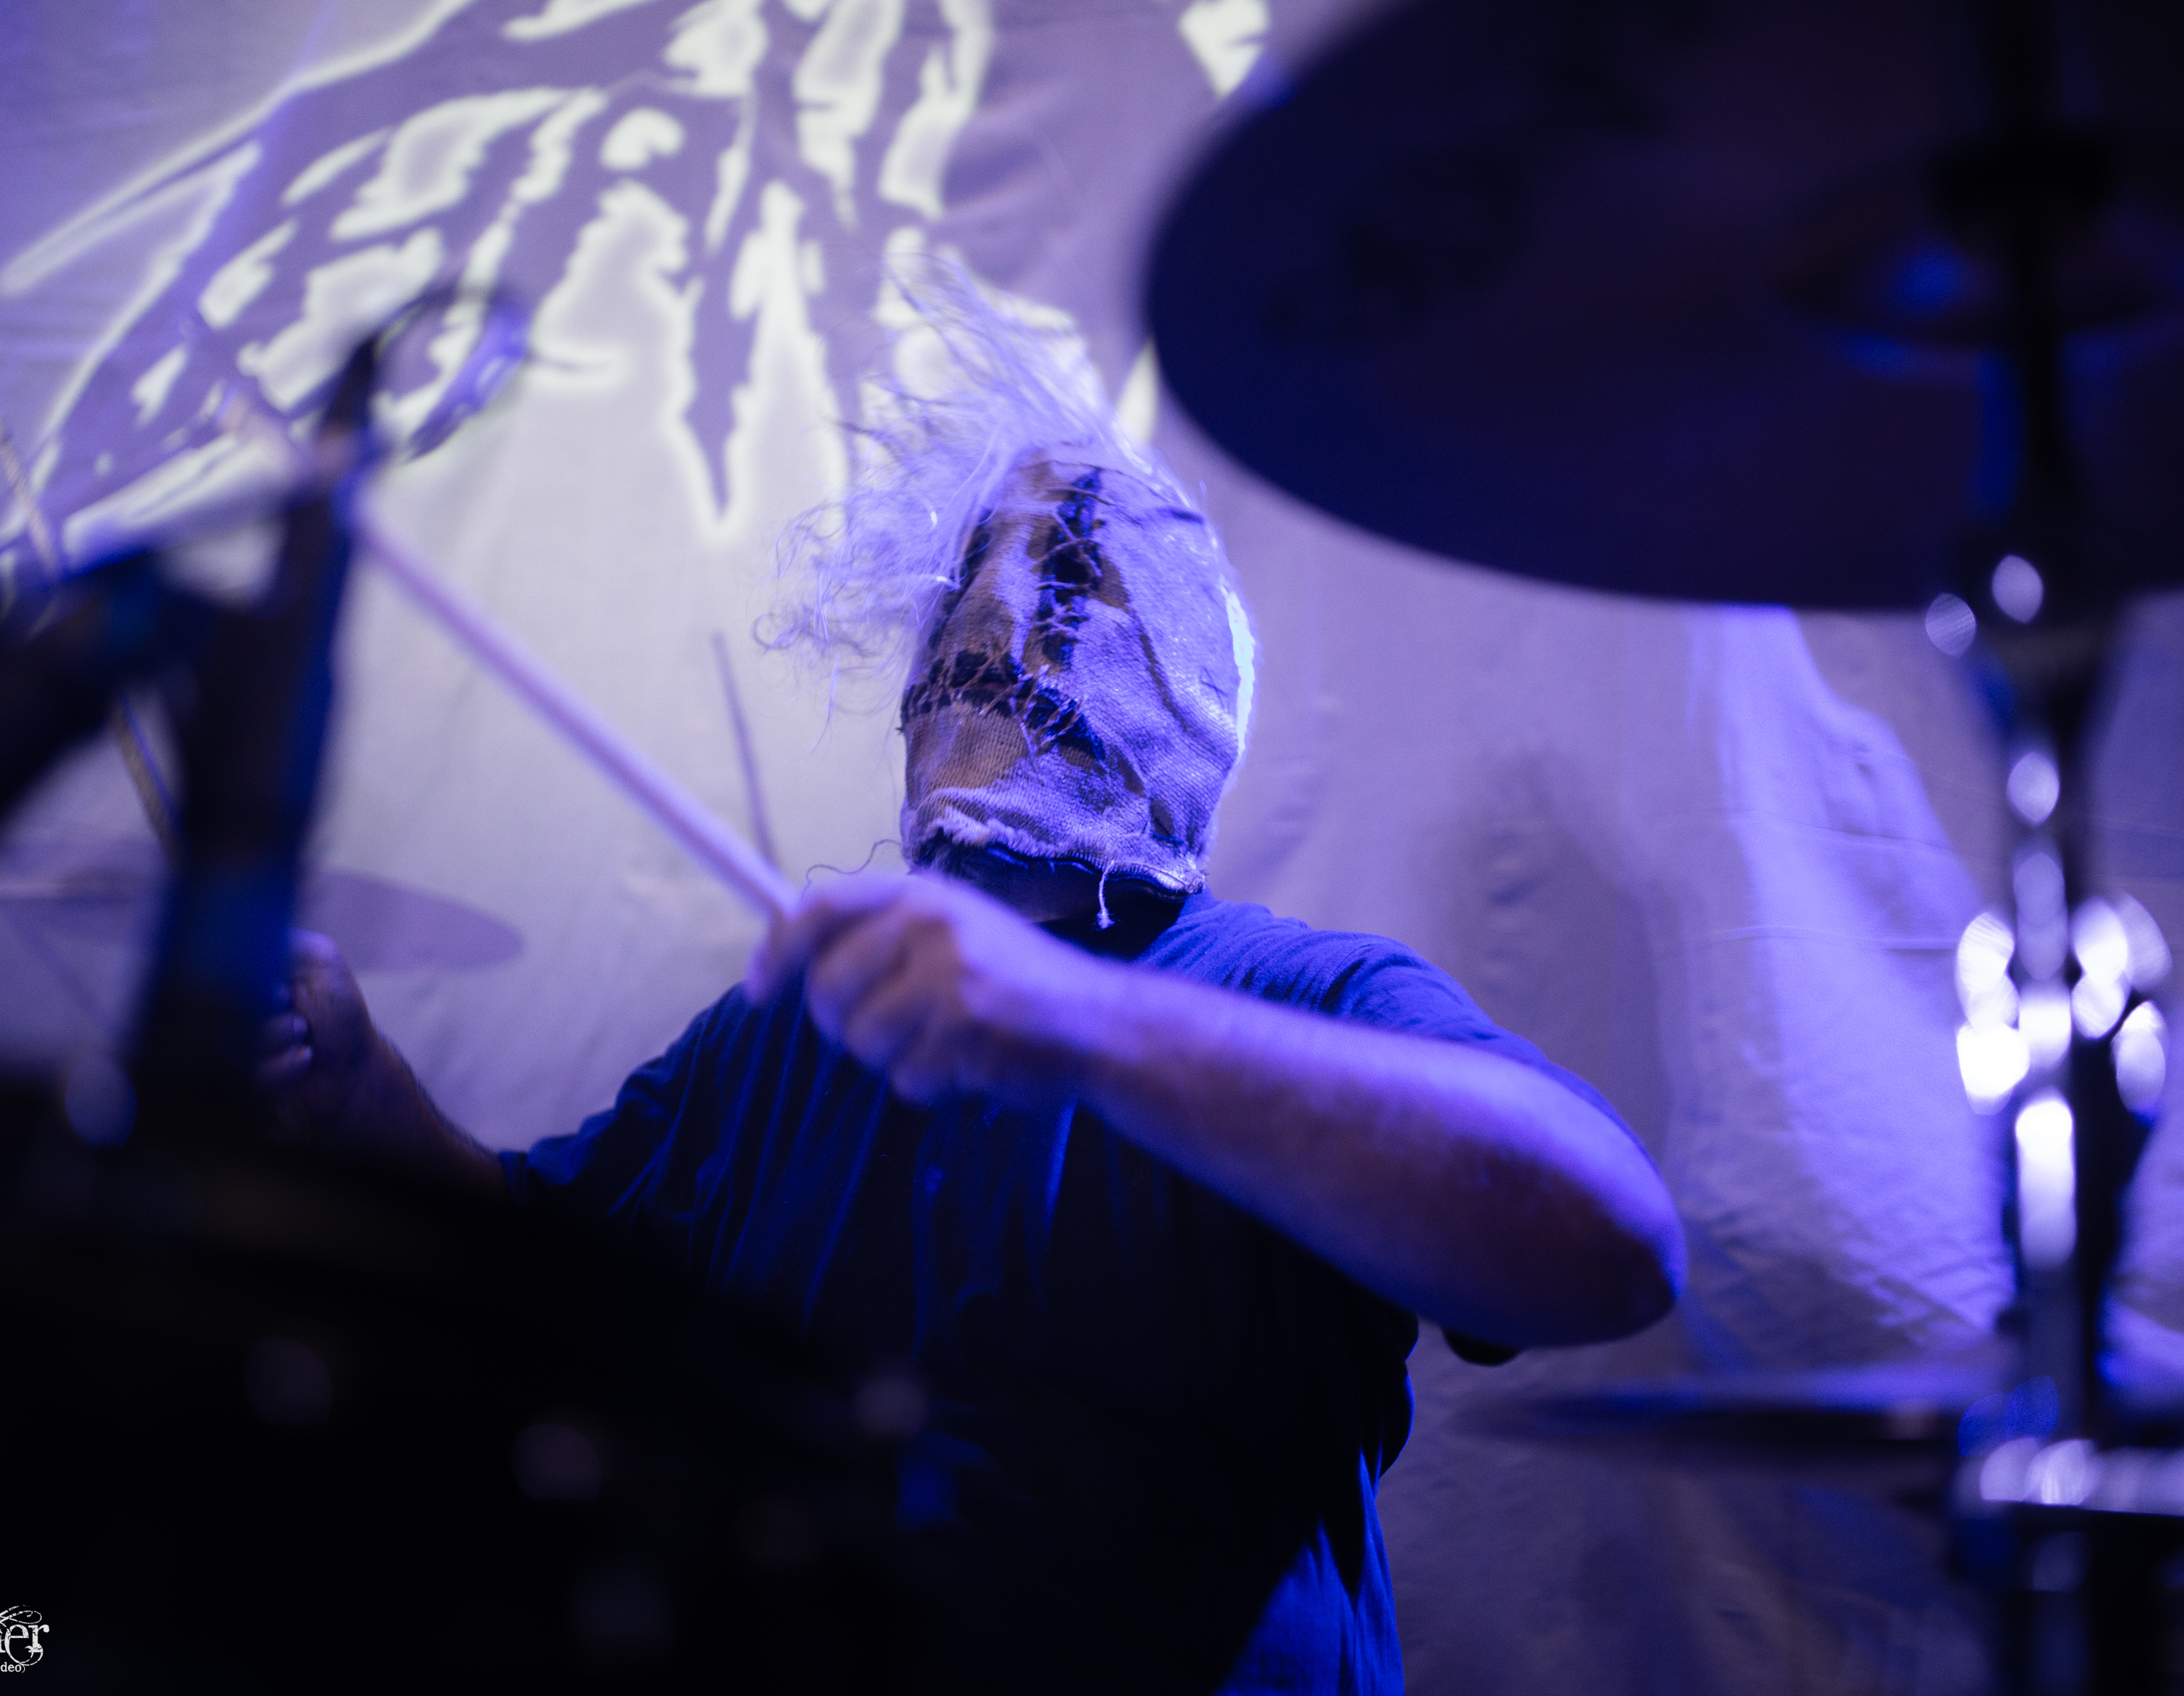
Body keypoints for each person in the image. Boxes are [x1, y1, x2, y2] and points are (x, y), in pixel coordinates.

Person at [263, 278, 1684, 1693]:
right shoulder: (800, 1019)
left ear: (1192, 677)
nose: (993, 619)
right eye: (961, 583)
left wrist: (1070, 1020)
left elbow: (1609, 1241)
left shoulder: (1301, 995)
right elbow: (546, 1266)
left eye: (1070, 582)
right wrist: (358, 1085)